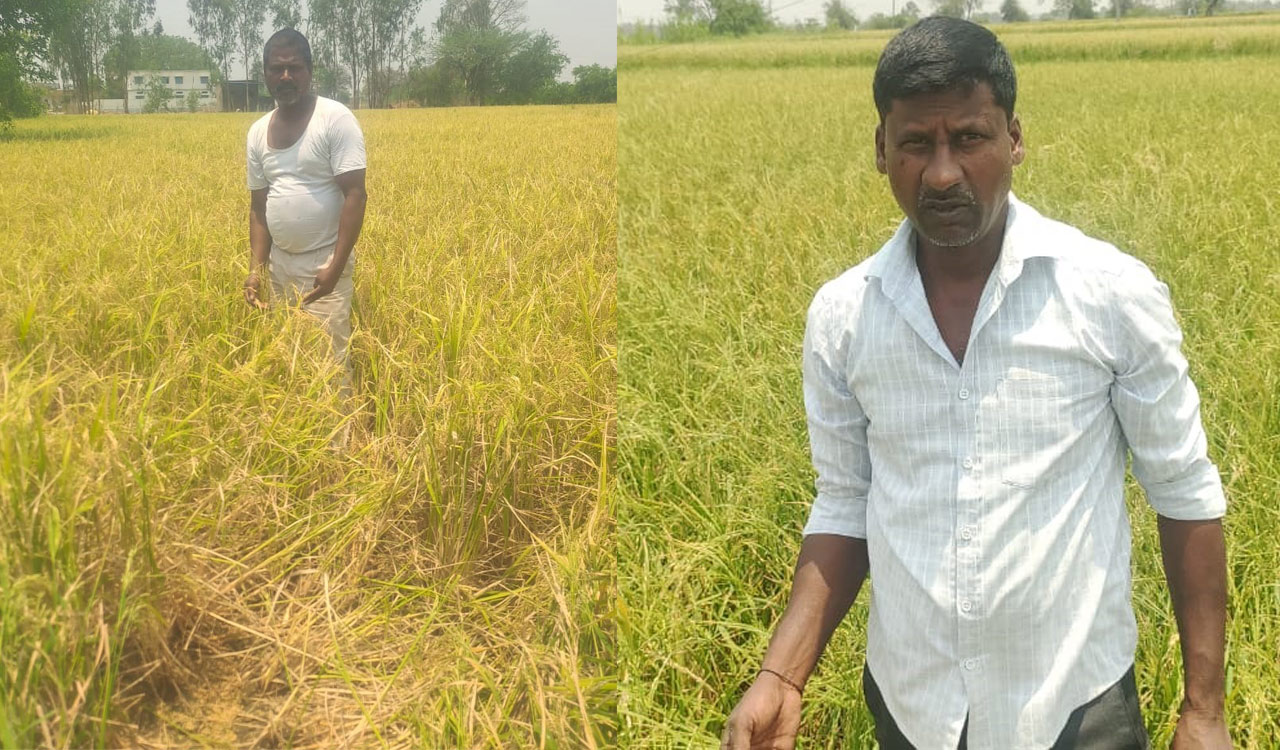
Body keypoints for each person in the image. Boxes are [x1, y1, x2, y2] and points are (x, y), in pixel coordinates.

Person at [722, 17, 1230, 750]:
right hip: (913, 707)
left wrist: (1203, 711)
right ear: (880, 149)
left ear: (1014, 139)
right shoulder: (844, 315)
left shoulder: (1109, 293)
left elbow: (1183, 491)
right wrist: (783, 675)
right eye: (915, 143)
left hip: (1076, 707)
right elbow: (846, 500)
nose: (941, 173)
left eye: (969, 137)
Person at [243, 28, 367, 380]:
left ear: (309, 71)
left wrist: (335, 268)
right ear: (265, 73)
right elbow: (259, 207)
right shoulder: (257, 132)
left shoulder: (334, 118)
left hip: (323, 266)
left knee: (330, 367)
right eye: (276, 68)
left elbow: (356, 195)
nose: (285, 76)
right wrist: (256, 271)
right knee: (290, 363)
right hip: (279, 266)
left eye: (294, 67)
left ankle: (340, 420)